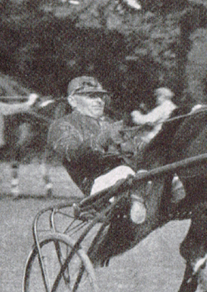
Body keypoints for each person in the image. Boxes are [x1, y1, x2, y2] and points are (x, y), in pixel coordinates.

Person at [47, 76, 147, 223]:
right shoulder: (62, 125)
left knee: (159, 166)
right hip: (97, 185)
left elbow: (138, 147)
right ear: (72, 101)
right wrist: (103, 139)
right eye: (91, 96)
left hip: (127, 177)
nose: (100, 101)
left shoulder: (109, 123)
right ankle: (137, 200)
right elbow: (73, 153)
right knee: (125, 173)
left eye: (101, 96)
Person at [131, 87, 185, 203]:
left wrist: (135, 114)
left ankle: (140, 177)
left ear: (162, 96)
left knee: (137, 149)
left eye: (157, 97)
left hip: (157, 138)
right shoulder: (174, 107)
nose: (156, 100)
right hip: (171, 141)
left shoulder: (163, 108)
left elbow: (146, 120)